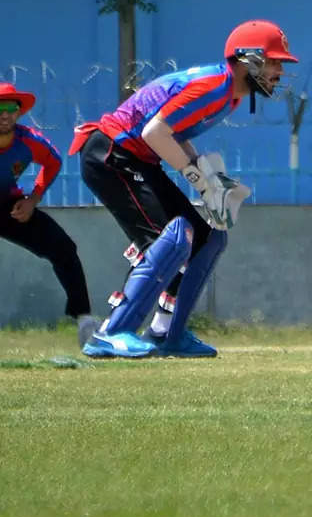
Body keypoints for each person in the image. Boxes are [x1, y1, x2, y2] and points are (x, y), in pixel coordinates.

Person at [69, 20, 298, 358]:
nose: (279, 71)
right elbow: (154, 133)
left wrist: (210, 180)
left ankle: (166, 333)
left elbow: (173, 135)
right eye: (274, 61)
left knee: (208, 239)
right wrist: (197, 180)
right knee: (175, 236)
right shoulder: (213, 88)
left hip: (136, 159)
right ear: (248, 59)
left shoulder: (228, 96)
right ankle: (110, 332)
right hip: (111, 155)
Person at [0, 82, 98, 347]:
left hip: (10, 206)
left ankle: (85, 322)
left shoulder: (29, 141)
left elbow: (53, 161)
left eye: (10, 108)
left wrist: (33, 199)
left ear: (18, 113)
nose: (4, 114)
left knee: (64, 248)